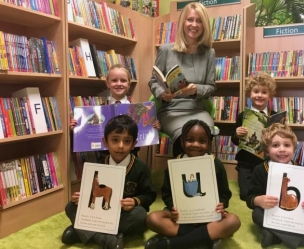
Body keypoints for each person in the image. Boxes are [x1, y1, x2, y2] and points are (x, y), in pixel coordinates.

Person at [62, 114, 157, 248]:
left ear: (134, 144)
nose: (120, 146)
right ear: (105, 142)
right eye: (115, 140)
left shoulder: (141, 168)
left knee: (140, 215)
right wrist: (81, 198)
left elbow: (150, 195)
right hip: (100, 213)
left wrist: (135, 201)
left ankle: (81, 232)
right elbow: (91, 193)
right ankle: (106, 239)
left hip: (124, 213)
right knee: (70, 207)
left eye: (127, 141)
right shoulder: (97, 165)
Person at [144, 119, 241, 249]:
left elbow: (224, 193)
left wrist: (221, 205)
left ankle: (173, 243)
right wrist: (173, 207)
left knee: (233, 221)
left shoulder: (216, 164)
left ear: (209, 144)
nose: (196, 144)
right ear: (182, 143)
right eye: (190, 140)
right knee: (152, 219)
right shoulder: (174, 164)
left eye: (202, 141)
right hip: (181, 216)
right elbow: (167, 193)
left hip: (209, 216)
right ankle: (206, 238)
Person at [245, 123, 304, 249]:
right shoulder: (260, 170)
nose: (282, 149)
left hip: (297, 216)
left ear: (294, 148)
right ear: (267, 150)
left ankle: (275, 236)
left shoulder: (302, 170)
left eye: (287, 145)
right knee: (257, 214)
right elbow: (250, 197)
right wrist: (258, 200)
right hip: (274, 215)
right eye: (275, 145)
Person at [148, 2, 216, 158]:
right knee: (185, 136)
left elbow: (211, 87)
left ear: (204, 25)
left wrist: (196, 90)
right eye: (190, 20)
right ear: (182, 23)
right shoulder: (166, 50)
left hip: (197, 109)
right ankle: (179, 177)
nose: (194, 24)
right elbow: (153, 81)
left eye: (199, 21)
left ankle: (204, 178)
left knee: (204, 134)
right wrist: (162, 94)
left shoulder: (209, 53)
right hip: (171, 110)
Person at [70, 64, 161, 157]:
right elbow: (84, 139)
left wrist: (154, 126)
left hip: (130, 159)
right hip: (105, 160)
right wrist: (77, 129)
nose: (119, 84)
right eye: (114, 80)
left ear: (129, 84)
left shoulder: (139, 111)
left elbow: (144, 137)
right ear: (107, 83)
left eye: (123, 80)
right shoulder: (98, 112)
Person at [230, 72, 277, 200]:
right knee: (246, 196)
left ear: (270, 95)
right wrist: (237, 134)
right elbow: (234, 140)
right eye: (256, 91)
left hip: (268, 162)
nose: (259, 95)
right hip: (247, 162)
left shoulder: (275, 116)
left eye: (264, 92)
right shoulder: (243, 116)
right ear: (250, 94)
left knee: (272, 193)